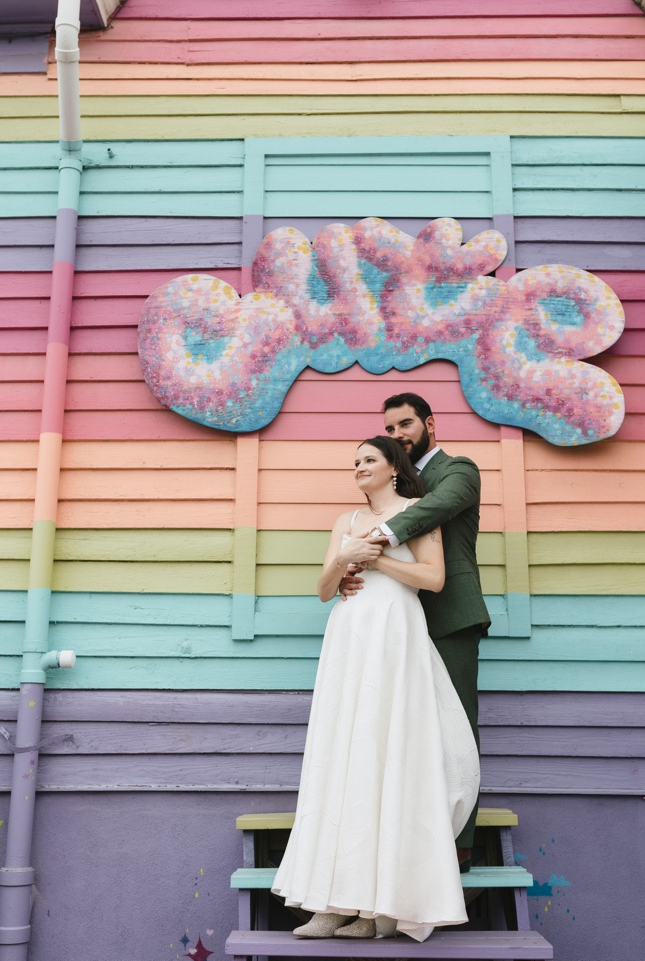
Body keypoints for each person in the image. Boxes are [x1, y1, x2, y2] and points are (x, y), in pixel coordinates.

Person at [271, 434, 480, 941]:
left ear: (393, 468)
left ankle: (377, 908)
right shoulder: (345, 521)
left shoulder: (418, 511)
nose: (359, 467)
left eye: (369, 460)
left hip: (395, 634)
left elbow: (433, 580)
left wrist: (375, 554)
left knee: (387, 751)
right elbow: (323, 589)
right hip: (350, 634)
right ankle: (331, 900)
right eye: (355, 462)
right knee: (345, 753)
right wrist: (345, 559)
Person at [349, 392, 492, 871]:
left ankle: (458, 844)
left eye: (405, 425)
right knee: (402, 726)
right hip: (395, 619)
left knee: (456, 729)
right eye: (388, 430)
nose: (397, 436)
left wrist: (377, 540)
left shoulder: (459, 470)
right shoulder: (391, 482)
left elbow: (436, 509)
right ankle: (408, 833)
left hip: (449, 615)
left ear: (430, 423)